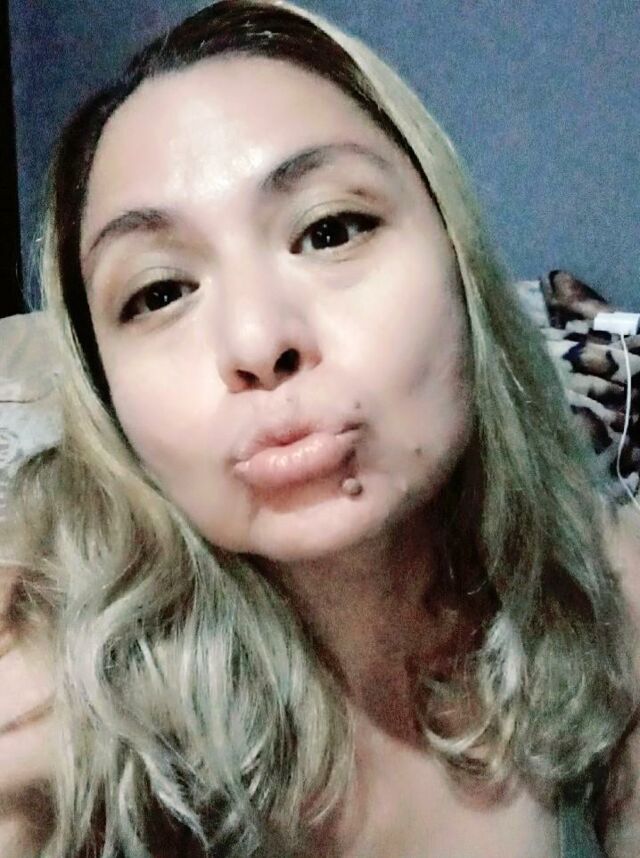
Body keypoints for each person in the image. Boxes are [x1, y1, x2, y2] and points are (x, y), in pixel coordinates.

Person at [1, 1, 638, 855]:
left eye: (330, 230)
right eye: (159, 293)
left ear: (460, 265)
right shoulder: (42, 718)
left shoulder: (614, 600)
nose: (258, 342)